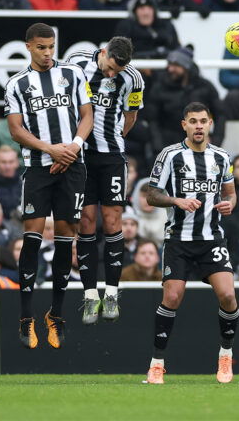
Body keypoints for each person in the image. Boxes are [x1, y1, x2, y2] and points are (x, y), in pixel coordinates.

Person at [5, 23, 94, 350]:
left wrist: (70, 146)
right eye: (40, 47)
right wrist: (50, 149)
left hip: (72, 167)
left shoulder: (72, 74)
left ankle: (55, 315)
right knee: (31, 237)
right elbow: (15, 130)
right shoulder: (17, 83)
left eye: (51, 47)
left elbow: (87, 116)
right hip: (39, 169)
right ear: (28, 46)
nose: (46, 53)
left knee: (64, 239)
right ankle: (26, 317)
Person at [143, 102, 238, 385]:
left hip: (211, 239)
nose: (199, 126)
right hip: (179, 240)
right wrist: (176, 200)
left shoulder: (221, 157)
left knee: (229, 297)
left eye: (203, 121)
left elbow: (231, 193)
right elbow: (151, 194)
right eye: (193, 121)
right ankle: (156, 365)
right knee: (172, 298)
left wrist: (229, 205)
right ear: (184, 124)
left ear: (211, 124)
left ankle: (225, 356)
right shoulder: (170, 155)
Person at [65, 37, 144, 325]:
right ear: (103, 53)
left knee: (112, 221)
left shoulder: (133, 79)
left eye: (118, 70)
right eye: (110, 67)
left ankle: (111, 292)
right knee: (85, 222)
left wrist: (112, 140)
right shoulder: (76, 64)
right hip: (81, 157)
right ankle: (89, 295)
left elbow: (130, 116)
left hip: (111, 156)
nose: (113, 74)